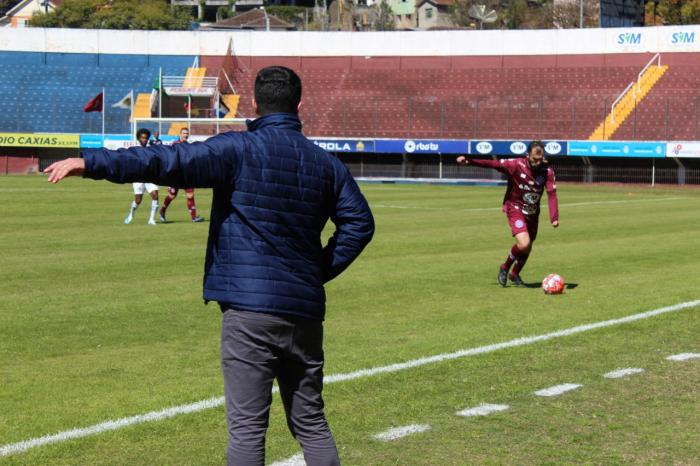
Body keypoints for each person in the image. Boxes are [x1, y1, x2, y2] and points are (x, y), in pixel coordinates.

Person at [45, 65, 375, 466]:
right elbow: (359, 224)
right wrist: (316, 269)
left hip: (249, 312)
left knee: (248, 429)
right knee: (310, 422)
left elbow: (165, 160)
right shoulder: (327, 164)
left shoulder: (237, 149)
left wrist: (92, 163)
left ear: (254, 102)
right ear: (299, 104)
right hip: (303, 312)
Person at [456, 141, 559, 287]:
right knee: (524, 243)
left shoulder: (547, 171)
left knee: (528, 247)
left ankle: (515, 273)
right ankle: (504, 267)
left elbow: (552, 194)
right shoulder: (516, 165)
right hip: (514, 208)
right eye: (534, 159)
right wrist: (470, 161)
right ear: (527, 155)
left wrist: (554, 217)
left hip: (532, 213)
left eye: (540, 159)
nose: (537, 162)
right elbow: (494, 164)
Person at [158, 127, 205, 223]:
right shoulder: (175, 145)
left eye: (187, 133)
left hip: (187, 175)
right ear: (180, 134)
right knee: (171, 196)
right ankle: (162, 211)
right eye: (184, 133)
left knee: (190, 195)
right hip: (175, 175)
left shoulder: (189, 146)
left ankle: (194, 217)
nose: (186, 135)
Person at [124, 128, 159, 225]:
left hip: (149, 177)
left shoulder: (151, 148)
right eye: (142, 138)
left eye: (146, 138)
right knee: (138, 200)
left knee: (155, 195)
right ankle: (131, 214)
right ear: (139, 138)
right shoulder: (134, 149)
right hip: (138, 177)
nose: (144, 139)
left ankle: (151, 219)